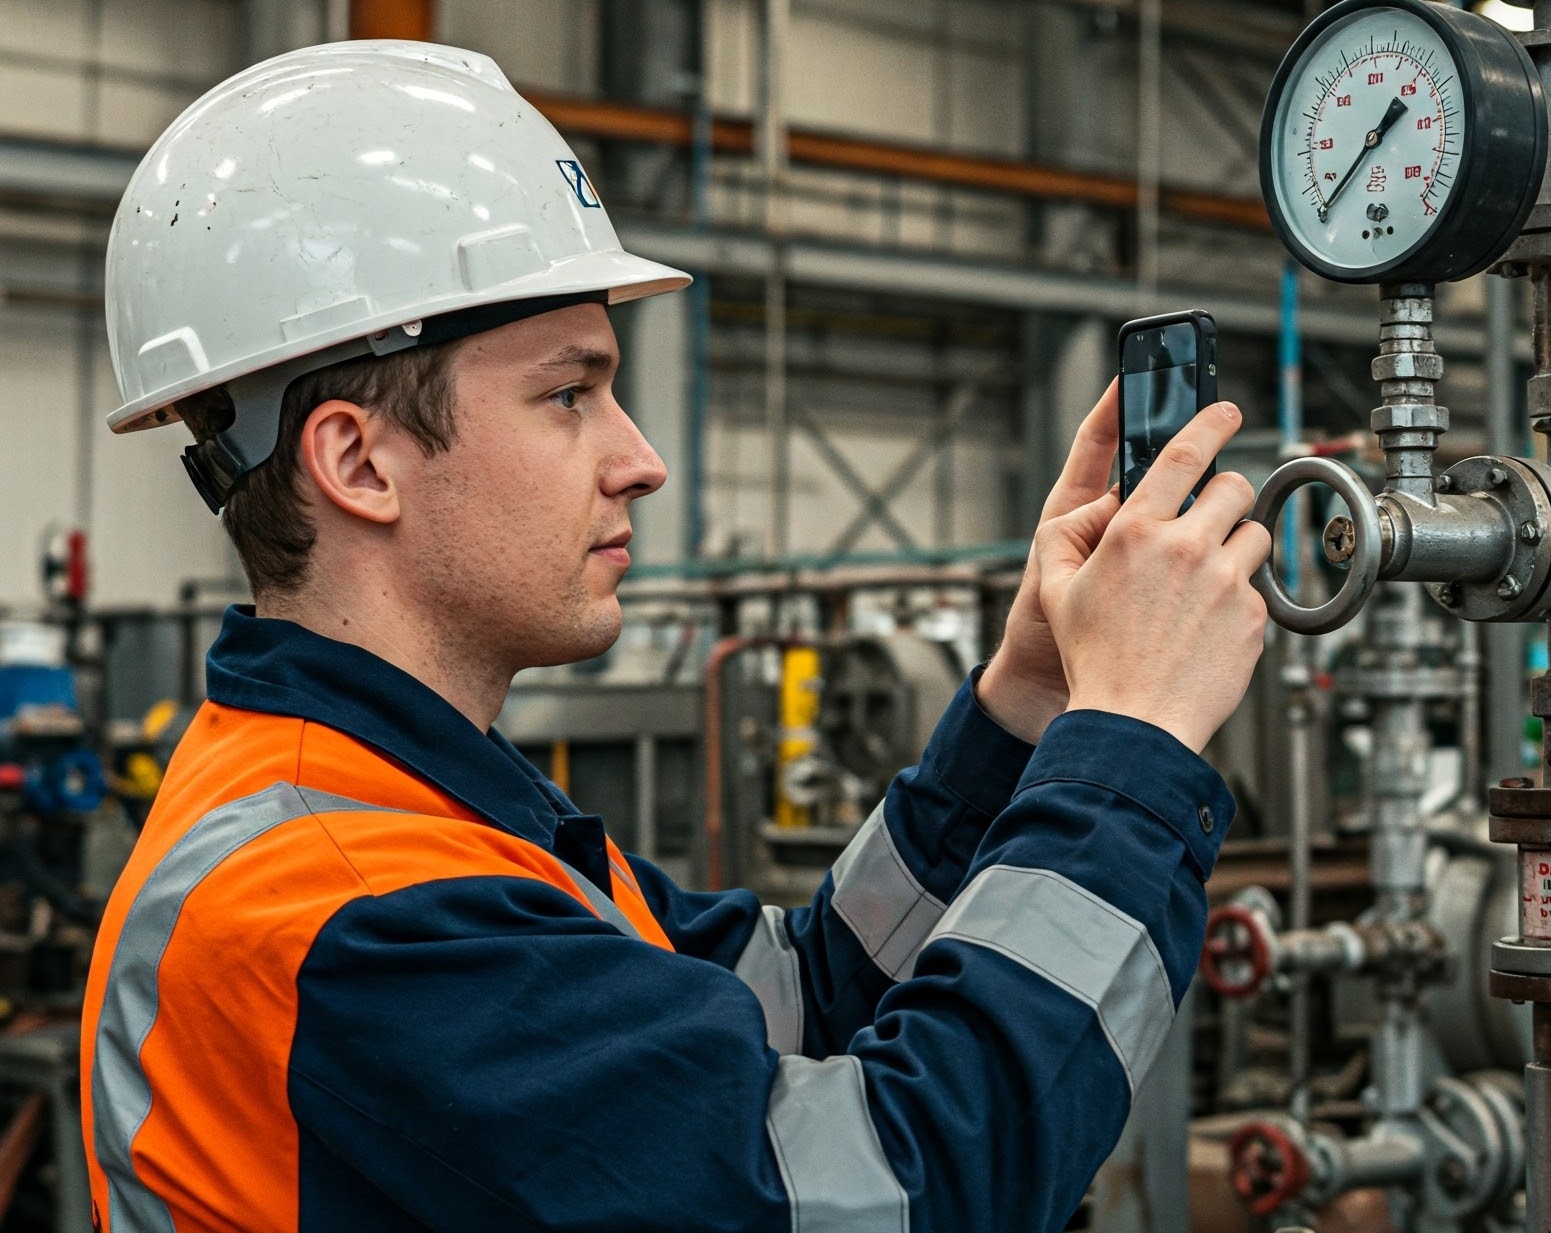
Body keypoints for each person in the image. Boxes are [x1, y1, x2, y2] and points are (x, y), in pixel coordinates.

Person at [81, 39, 1271, 1233]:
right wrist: (1130, 748)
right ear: (358, 460)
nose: (639, 461)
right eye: (568, 394)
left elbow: (802, 997)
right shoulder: (352, 910)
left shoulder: (413, 812)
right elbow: (905, 1194)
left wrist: (1027, 705)